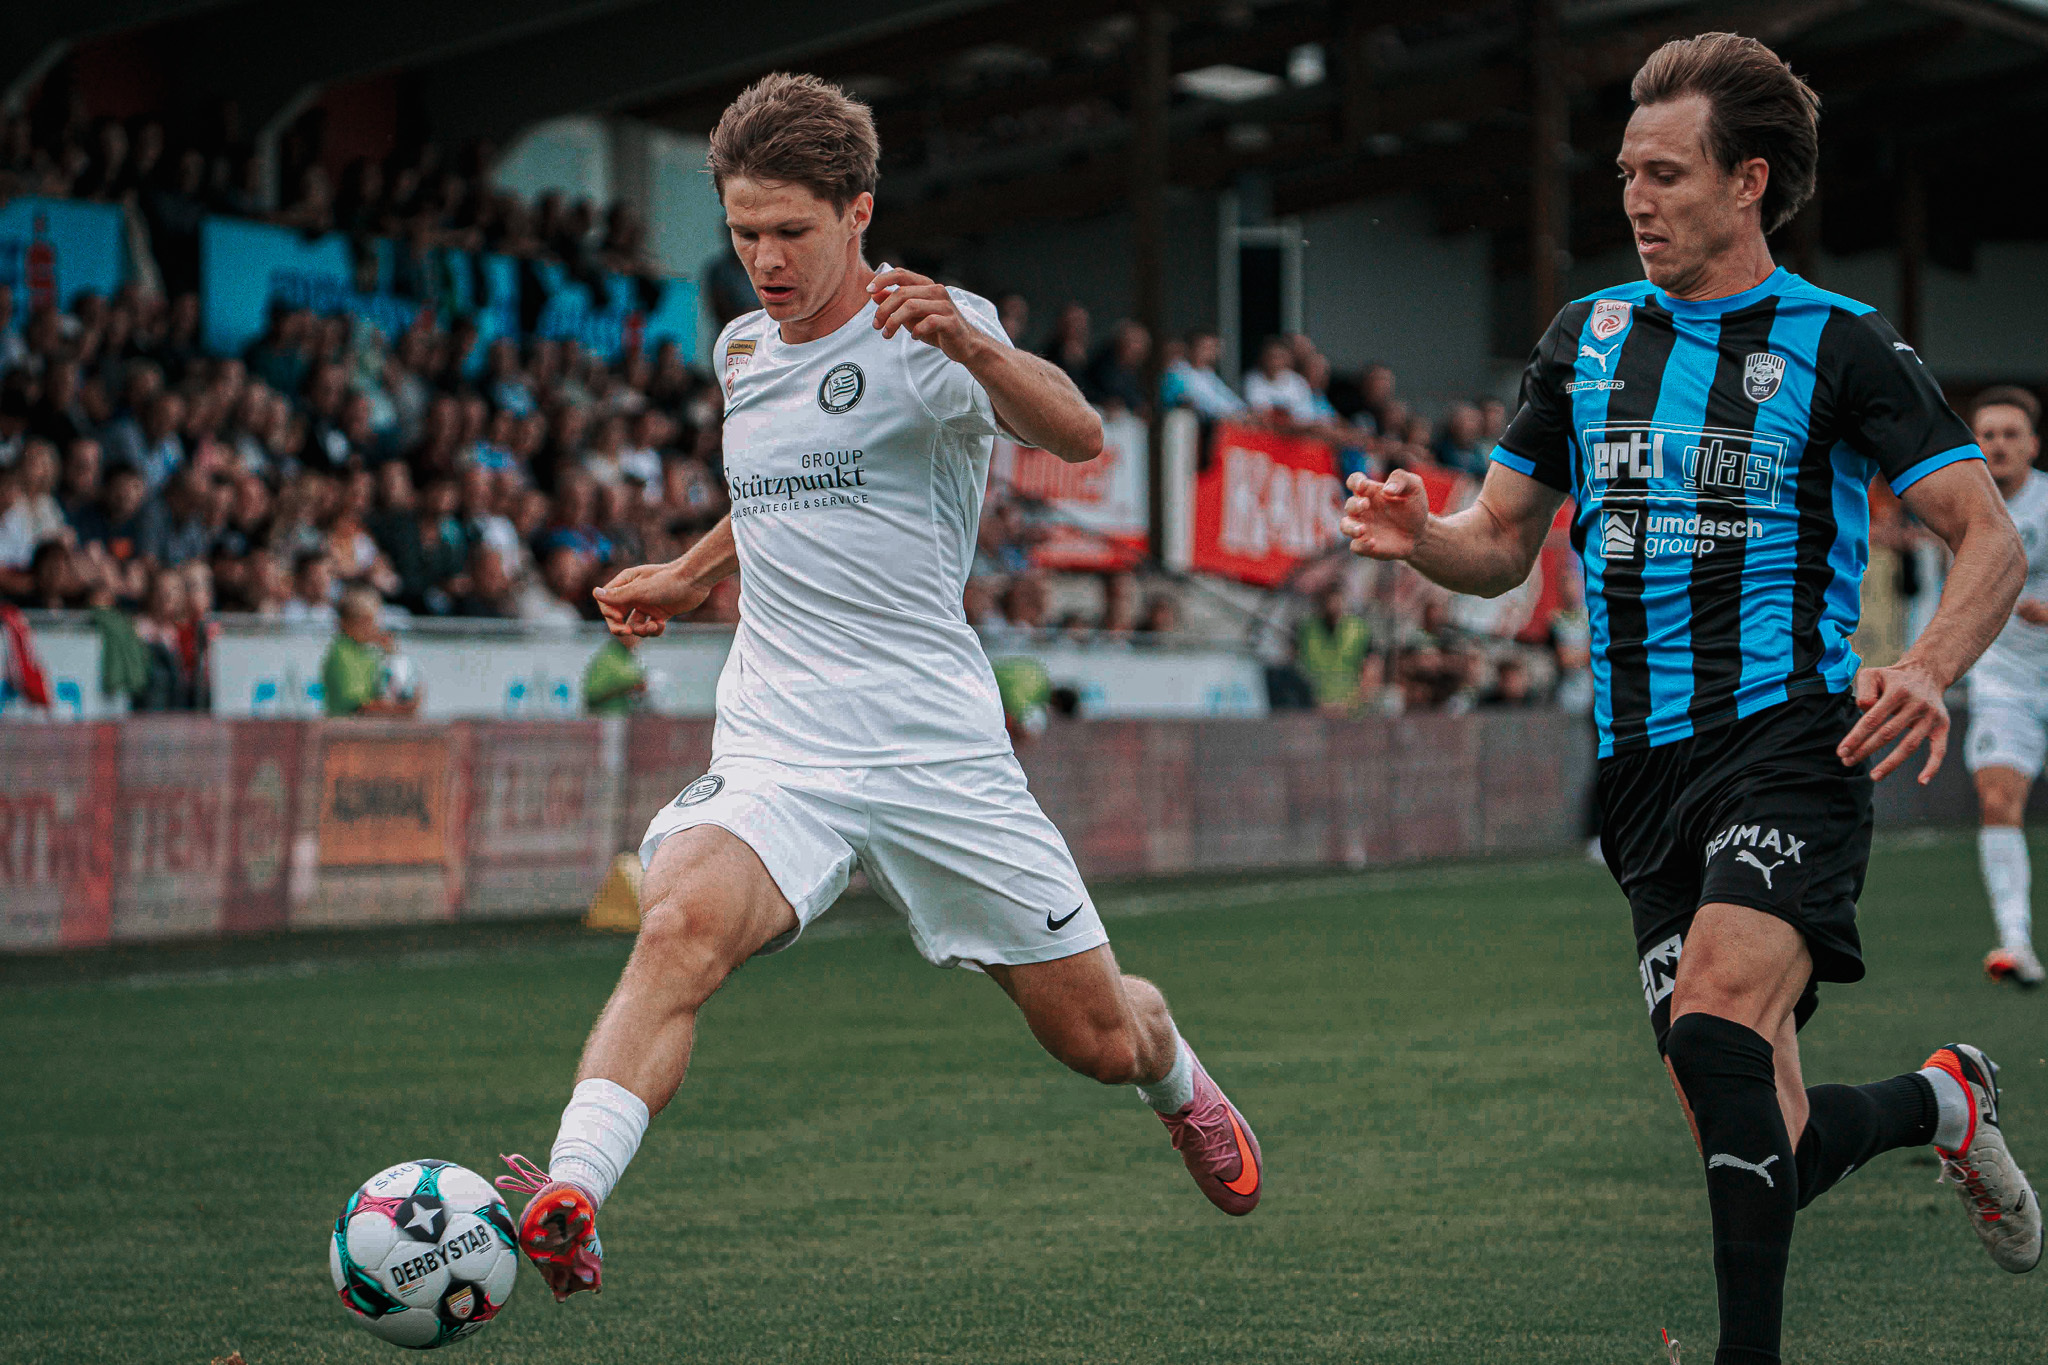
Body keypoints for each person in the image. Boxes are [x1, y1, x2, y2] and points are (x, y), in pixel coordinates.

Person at [494, 72, 1264, 1306]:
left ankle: (1177, 1079)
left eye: (790, 231)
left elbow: (1077, 436)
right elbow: (783, 491)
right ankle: (573, 1195)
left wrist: (971, 344)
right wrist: (691, 573)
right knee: (678, 926)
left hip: (932, 748)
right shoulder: (742, 349)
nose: (764, 260)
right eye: (743, 233)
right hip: (780, 742)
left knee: (1096, 1040)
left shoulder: (929, 329)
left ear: (857, 214)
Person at [1339, 34, 2037, 1364]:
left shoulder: (1840, 343)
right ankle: (1941, 1102)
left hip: (1790, 741)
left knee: (1716, 1024)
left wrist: (1924, 665)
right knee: (1754, 1129)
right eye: (1626, 173)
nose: (1636, 199)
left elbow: (1986, 540)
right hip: (1641, 774)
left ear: (1748, 181)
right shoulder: (1587, 337)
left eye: (1666, 174)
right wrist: (1420, 534)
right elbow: (1499, 544)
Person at [1959, 387, 2048, 988]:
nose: (1998, 445)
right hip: (2003, 683)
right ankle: (2016, 943)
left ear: (2033, 445)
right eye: (1987, 435)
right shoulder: (1961, 504)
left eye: (2010, 434)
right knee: (1996, 801)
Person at [320, 586, 419, 718]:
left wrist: (392, 655)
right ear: (345, 622)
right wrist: (401, 709)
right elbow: (359, 706)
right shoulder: (342, 652)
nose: (372, 627)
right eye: (363, 621)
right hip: (345, 727)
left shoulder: (367, 651)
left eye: (372, 620)